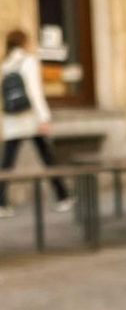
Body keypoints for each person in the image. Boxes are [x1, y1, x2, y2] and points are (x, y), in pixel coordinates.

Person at [0, 28, 72, 217]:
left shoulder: (6, 64)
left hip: (12, 121)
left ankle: (1, 203)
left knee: (7, 163)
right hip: (30, 119)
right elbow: (34, 92)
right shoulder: (28, 61)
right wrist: (44, 118)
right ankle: (63, 196)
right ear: (23, 42)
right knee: (48, 158)